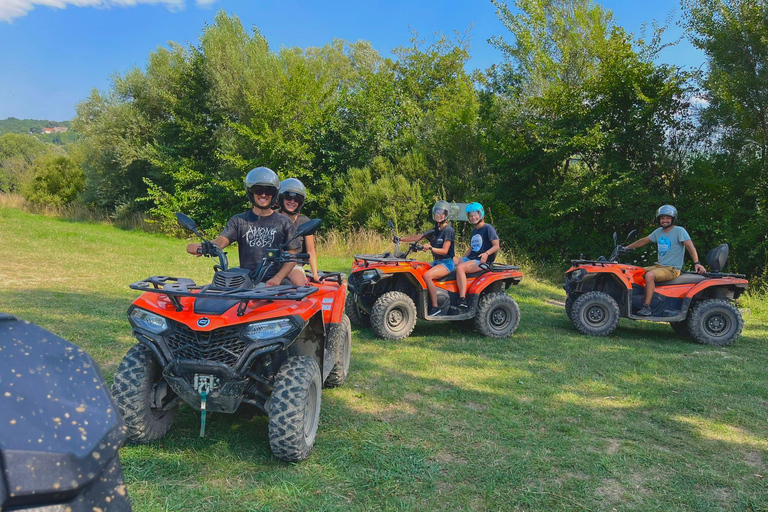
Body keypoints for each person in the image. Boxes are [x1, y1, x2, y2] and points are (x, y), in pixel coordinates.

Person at [186, 167, 300, 286]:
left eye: (268, 191)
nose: (263, 194)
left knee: (294, 301)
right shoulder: (239, 220)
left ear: (274, 193)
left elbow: (292, 255)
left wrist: (278, 278)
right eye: (258, 190)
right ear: (251, 192)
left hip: (275, 283)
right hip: (245, 282)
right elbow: (221, 241)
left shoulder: (284, 222)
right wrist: (202, 246)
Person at [622, 205, 706, 316]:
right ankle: (633, 300)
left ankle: (646, 307)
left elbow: (691, 247)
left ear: (673, 219)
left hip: (672, 269)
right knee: (634, 271)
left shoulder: (679, 231)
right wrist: (627, 247)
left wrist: (697, 263)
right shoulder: (658, 232)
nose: (664, 220)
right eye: (662, 218)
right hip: (659, 266)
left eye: (667, 218)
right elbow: (643, 241)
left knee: (650, 275)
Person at [398, 201, 456, 317]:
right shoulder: (435, 230)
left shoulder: (448, 230)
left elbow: (445, 251)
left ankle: (435, 308)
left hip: (447, 263)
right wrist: (401, 239)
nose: (438, 215)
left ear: (446, 215)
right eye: (437, 212)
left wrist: (430, 248)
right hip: (436, 262)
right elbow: (419, 237)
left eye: (441, 213)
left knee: (427, 276)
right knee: (417, 269)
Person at [455, 202, 499, 311]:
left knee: (460, 268)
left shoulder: (488, 228)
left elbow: (496, 246)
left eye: (475, 214)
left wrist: (486, 253)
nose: (473, 217)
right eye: (470, 216)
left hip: (482, 261)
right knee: (452, 261)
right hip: (472, 259)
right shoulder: (474, 231)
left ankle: (462, 299)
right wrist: (461, 259)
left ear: (481, 214)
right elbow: (471, 248)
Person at [278, 177, 320, 286]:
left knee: (298, 283)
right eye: (288, 198)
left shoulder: (304, 222)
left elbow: (311, 251)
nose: (292, 202)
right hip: (272, 264)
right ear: (281, 198)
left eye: (296, 199)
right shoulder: (272, 218)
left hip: (294, 265)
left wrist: (315, 274)